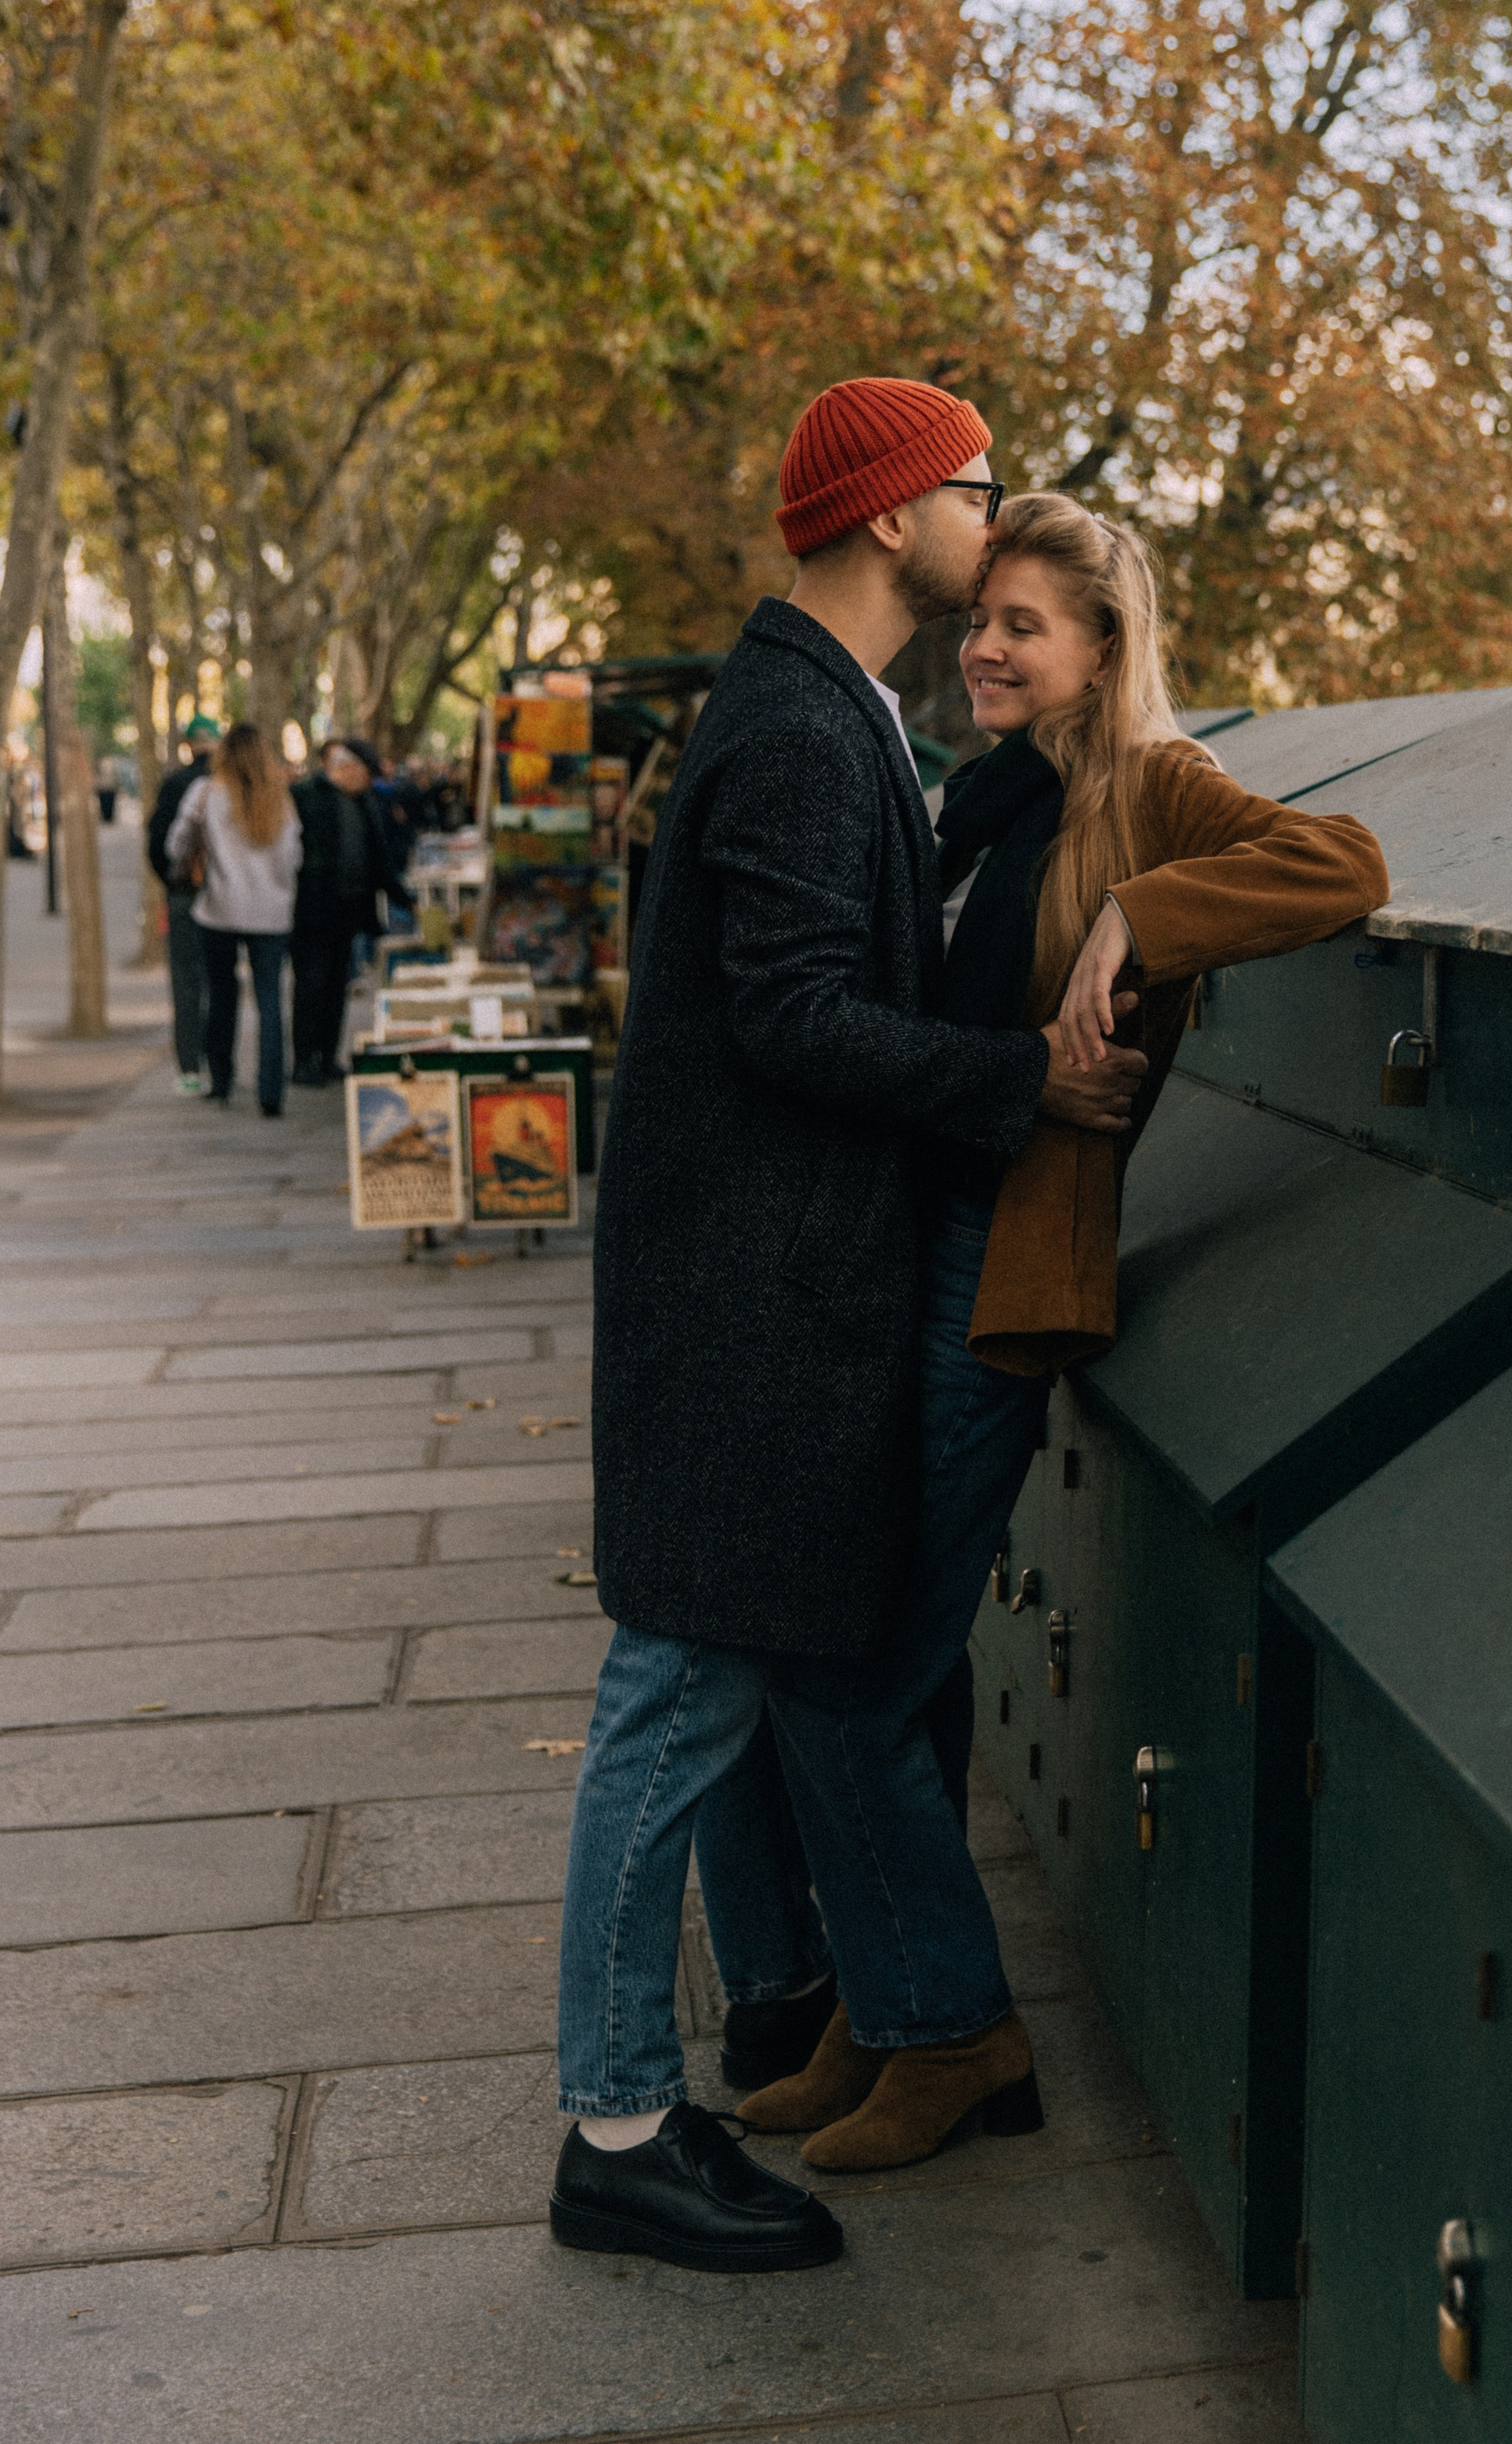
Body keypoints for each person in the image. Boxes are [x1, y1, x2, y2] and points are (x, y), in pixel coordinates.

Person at [551, 380, 1147, 2278]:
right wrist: (1020, 1084)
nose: (994, 520)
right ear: (898, 516)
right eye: (975, 490)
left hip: (752, 1287)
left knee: (710, 1699)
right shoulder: (812, 735)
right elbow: (802, 1021)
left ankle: (741, 2054)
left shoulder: (823, 715)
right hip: (750, 1301)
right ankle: (619, 2127)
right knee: (669, 1710)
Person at [724, 490, 1388, 2173]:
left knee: (853, 1671)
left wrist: (1138, 917)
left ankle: (954, 2033)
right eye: (982, 617)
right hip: (896, 1255)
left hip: (998, 1278)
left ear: (1103, 649)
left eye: (1026, 624)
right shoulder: (967, 797)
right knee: (891, 1663)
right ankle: (891, 2009)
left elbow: (1344, 861)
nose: (987, 644)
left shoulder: (1146, 787)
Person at [165, 724, 303, 1117]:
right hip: (272, 915)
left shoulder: (206, 793)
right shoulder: (281, 799)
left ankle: (222, 1082)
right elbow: (293, 856)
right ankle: (270, 1093)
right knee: (270, 1002)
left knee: (222, 998)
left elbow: (175, 843)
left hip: (218, 910)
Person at [290, 738, 412, 1085]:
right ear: (346, 768)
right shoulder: (308, 796)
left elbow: (379, 857)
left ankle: (328, 1056)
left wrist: (402, 897)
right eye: (365, 773)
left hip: (349, 909)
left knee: (335, 986)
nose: (369, 781)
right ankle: (304, 1060)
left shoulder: (365, 803)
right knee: (310, 987)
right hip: (312, 911)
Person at [147, 713, 220, 1094]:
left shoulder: (175, 783)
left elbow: (159, 841)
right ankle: (221, 1063)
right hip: (226, 897)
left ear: (190, 744)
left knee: (186, 980)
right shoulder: (232, 784)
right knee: (221, 979)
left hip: (185, 894)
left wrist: (173, 882)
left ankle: (190, 1067)